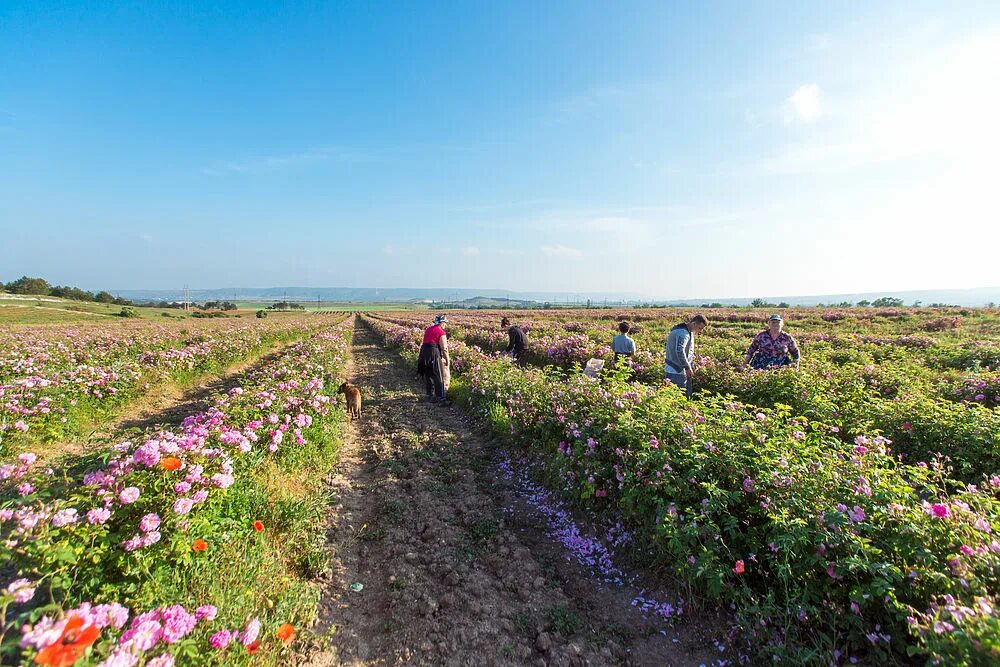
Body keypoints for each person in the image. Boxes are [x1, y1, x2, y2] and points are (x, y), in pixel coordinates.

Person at [664, 314, 708, 399]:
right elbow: (679, 351)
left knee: (684, 396)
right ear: (694, 324)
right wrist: (687, 367)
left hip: (680, 370)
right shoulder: (683, 333)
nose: (700, 331)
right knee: (678, 397)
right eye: (700, 328)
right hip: (676, 370)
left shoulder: (686, 331)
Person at [417, 314, 450, 404]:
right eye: (445, 323)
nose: (445, 325)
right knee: (438, 374)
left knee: (429, 374)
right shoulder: (441, 332)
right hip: (433, 352)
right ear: (441, 323)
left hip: (424, 352)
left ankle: (430, 395)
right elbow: (444, 348)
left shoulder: (428, 329)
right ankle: (441, 398)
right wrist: (447, 360)